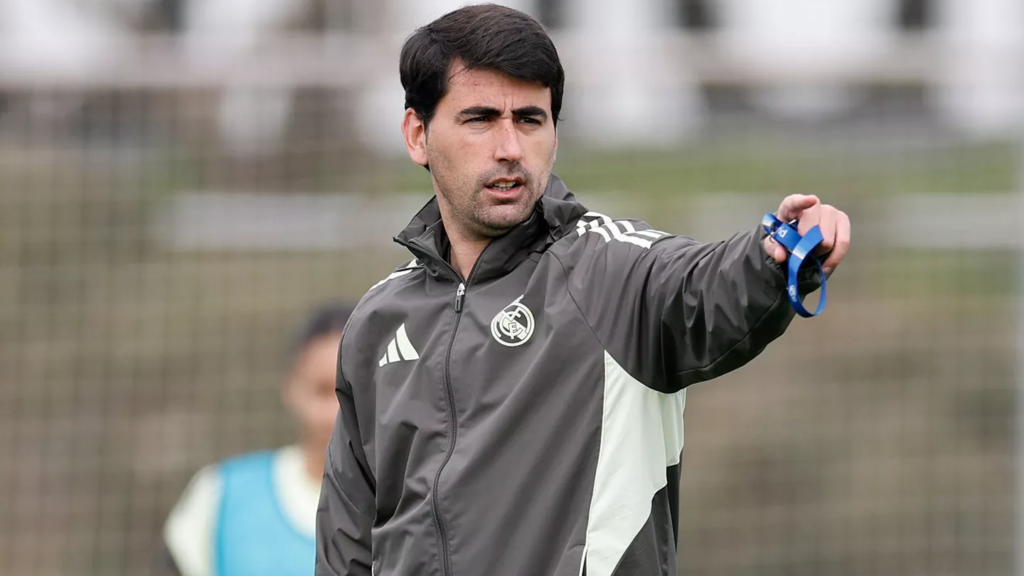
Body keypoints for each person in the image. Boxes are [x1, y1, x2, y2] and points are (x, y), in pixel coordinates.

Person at [315, 4, 851, 576]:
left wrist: (773, 257)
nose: (510, 148)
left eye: (529, 119)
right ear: (418, 134)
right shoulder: (377, 322)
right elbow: (348, 542)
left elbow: (704, 284)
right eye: (479, 119)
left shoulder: (611, 275)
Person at [159, 303, 354, 576]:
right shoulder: (220, 496)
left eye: (352, 391)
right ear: (292, 389)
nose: (337, 411)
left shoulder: (411, 507)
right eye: (323, 391)